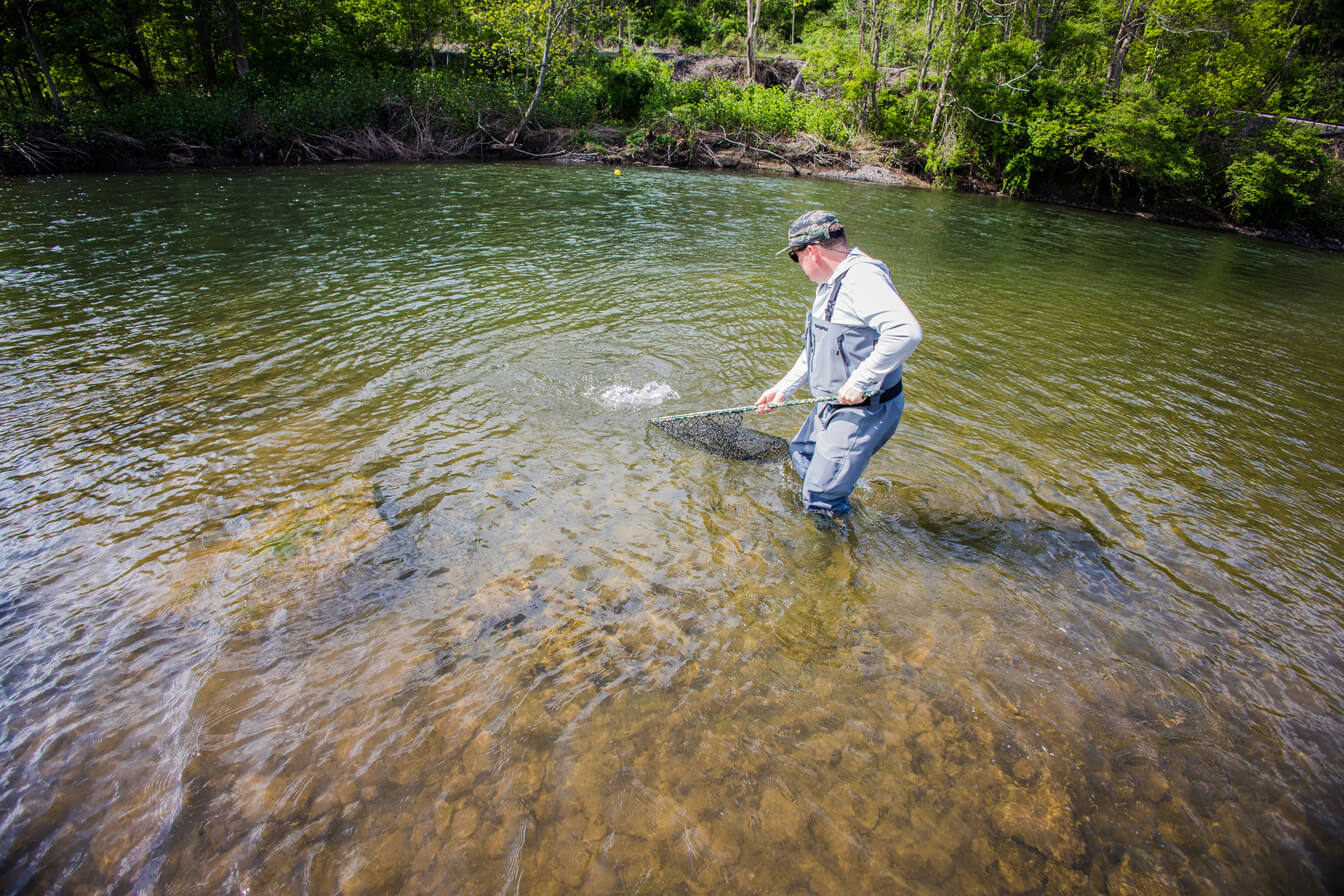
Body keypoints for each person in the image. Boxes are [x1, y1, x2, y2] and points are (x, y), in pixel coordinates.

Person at [755, 210, 922, 520]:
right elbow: (817, 349)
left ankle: (830, 543)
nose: (797, 264)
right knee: (802, 454)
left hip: (864, 409)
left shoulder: (862, 278)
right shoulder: (830, 283)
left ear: (812, 251)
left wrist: (860, 381)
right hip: (830, 402)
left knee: (820, 497)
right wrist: (784, 388)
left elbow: (905, 332)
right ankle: (826, 498)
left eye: (795, 256)